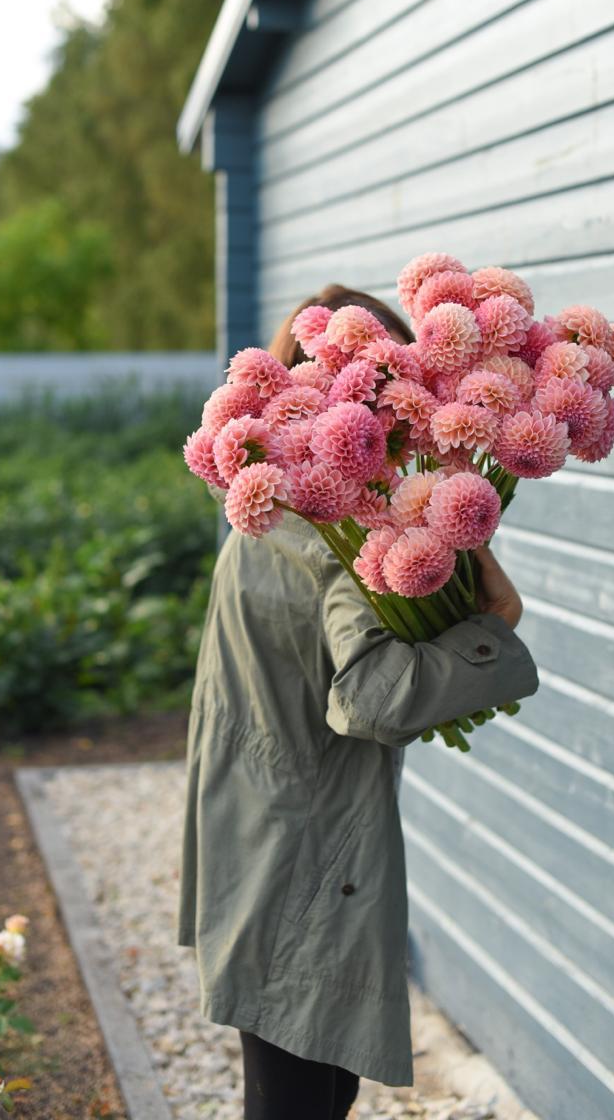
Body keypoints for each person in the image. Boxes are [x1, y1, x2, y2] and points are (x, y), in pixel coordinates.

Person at [177, 284, 540, 1120]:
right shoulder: (329, 538)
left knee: (304, 1089)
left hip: (257, 830)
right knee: (301, 1101)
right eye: (404, 396)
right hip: (302, 854)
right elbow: (373, 697)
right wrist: (492, 629)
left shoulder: (267, 522)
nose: (414, 429)